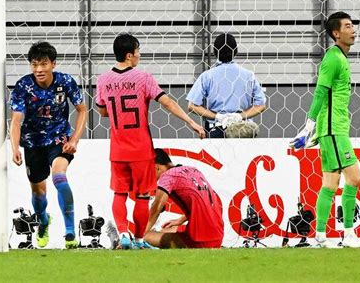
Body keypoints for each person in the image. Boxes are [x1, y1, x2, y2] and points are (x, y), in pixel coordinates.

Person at [95, 34, 205, 250]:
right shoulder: (143, 78)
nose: (139, 54)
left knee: (119, 193)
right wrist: (190, 121)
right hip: (141, 149)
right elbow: (167, 103)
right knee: (143, 197)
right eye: (138, 51)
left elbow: (102, 111)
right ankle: (138, 240)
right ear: (129, 55)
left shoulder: (103, 80)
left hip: (118, 148)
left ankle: (124, 234)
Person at [289, 11, 360, 248]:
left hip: (335, 127)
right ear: (336, 33)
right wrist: (308, 126)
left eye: (353, 26)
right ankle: (349, 234)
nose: (353, 30)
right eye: (348, 26)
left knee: (330, 184)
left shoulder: (340, 58)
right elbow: (320, 92)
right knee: (354, 177)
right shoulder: (333, 58)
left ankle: (321, 235)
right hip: (333, 129)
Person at [10, 41, 87, 249]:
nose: (39, 69)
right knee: (38, 194)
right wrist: (15, 147)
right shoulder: (23, 86)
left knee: (60, 177)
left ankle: (70, 232)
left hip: (59, 140)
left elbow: (82, 110)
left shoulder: (66, 82)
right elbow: (16, 120)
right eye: (34, 65)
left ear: (53, 63)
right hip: (33, 144)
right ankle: (43, 221)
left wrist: (74, 140)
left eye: (43, 64)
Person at [186, 33, 266, 138]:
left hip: (216, 129)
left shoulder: (207, 76)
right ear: (236, 51)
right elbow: (261, 105)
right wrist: (239, 116)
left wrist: (218, 116)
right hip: (244, 130)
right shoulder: (248, 75)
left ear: (215, 52)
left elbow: (192, 106)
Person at [144, 149, 224, 248]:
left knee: (146, 236)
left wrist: (140, 235)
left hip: (200, 241)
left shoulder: (167, 176)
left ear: (156, 168)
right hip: (218, 235)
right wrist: (180, 220)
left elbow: (156, 208)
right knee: (164, 231)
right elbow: (207, 200)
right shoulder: (193, 170)